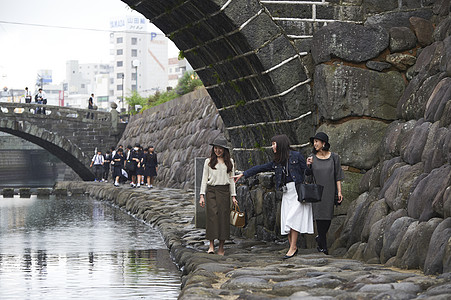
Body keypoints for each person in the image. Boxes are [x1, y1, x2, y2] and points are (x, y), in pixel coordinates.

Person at [233, 134, 312, 259]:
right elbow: (260, 168)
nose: (272, 146)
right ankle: (292, 246)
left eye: (274, 144)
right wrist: (243, 174)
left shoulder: (296, 156)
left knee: (293, 219)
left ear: (281, 144)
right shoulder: (277, 161)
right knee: (287, 220)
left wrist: (309, 165)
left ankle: (293, 247)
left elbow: (307, 172)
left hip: (297, 191)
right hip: (286, 193)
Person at [306, 132, 344, 255]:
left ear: (324, 143)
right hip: (317, 191)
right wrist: (308, 165)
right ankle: (323, 245)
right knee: (319, 217)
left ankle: (320, 238)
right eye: (314, 141)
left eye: (317, 141)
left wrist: (339, 191)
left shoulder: (334, 157)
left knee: (328, 218)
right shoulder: (312, 157)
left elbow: (338, 175)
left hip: (329, 191)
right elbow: (307, 176)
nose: (315, 144)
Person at [199, 136, 238, 256]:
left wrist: (233, 196)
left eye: (220, 149)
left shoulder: (230, 162)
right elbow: (204, 179)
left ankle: (221, 247)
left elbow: (232, 180)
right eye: (215, 148)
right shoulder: (208, 162)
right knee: (212, 217)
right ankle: (211, 245)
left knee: (223, 218)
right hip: (211, 191)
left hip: (225, 191)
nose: (217, 151)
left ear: (224, 150)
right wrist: (202, 195)